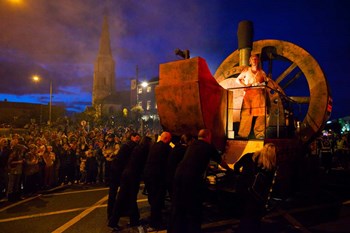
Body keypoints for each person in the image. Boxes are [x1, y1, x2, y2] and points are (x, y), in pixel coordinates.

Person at [168, 129, 233, 233]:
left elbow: (197, 159)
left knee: (178, 205)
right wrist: (230, 170)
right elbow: (221, 162)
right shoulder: (209, 147)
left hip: (178, 175)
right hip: (191, 179)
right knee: (194, 206)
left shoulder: (193, 145)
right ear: (208, 136)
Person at [108, 136, 153, 231]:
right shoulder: (144, 150)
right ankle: (133, 220)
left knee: (122, 198)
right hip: (133, 176)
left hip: (126, 174)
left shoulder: (136, 148)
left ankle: (114, 221)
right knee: (132, 198)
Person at [233, 143, 277, 233]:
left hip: (242, 188)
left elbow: (236, 166)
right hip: (255, 194)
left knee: (244, 215)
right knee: (253, 217)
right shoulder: (268, 166)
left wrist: (241, 175)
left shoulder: (249, 156)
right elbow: (268, 184)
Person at [107, 132, 141, 220]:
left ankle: (114, 212)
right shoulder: (131, 146)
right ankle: (112, 213)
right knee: (116, 193)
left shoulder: (127, 145)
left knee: (115, 193)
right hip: (118, 171)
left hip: (117, 170)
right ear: (132, 137)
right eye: (137, 137)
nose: (138, 139)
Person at [143, 131, 172, 231]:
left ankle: (156, 220)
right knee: (157, 201)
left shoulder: (155, 145)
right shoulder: (166, 148)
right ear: (166, 139)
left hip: (148, 176)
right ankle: (155, 223)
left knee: (154, 200)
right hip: (157, 177)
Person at [236, 54, 268, 139]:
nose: (254, 60)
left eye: (256, 59)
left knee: (261, 115)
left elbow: (266, 82)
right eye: (252, 59)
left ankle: (260, 134)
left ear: (258, 61)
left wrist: (263, 84)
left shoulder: (262, 72)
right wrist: (245, 85)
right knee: (246, 115)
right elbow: (238, 79)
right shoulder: (246, 71)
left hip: (259, 95)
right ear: (250, 61)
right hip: (249, 96)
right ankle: (243, 134)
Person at [166, 133, 194, 199]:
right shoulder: (184, 151)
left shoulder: (176, 147)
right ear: (189, 142)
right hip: (176, 178)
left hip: (169, 176)